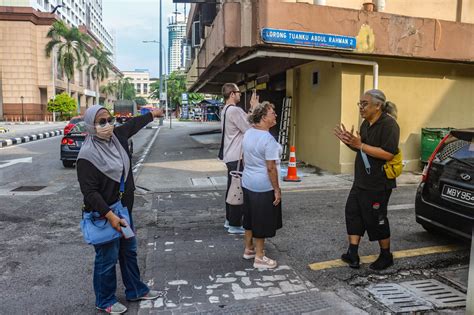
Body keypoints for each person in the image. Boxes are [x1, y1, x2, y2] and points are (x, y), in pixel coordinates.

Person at [77, 105, 164, 314]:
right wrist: (110, 216)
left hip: (123, 209)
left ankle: (135, 289)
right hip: (104, 214)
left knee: (129, 252)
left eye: (109, 119)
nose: (107, 125)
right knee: (107, 259)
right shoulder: (86, 156)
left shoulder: (117, 137)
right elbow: (90, 193)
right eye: (101, 122)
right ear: (91, 125)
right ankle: (104, 299)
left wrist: (152, 114)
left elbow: (134, 123)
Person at [334, 89, 400, 270]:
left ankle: (386, 255)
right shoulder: (366, 124)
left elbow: (388, 153)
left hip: (378, 183)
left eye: (364, 104)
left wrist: (360, 144)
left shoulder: (389, 125)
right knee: (353, 213)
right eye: (360, 104)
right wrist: (351, 142)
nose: (361, 108)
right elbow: (363, 150)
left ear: (378, 106)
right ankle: (352, 253)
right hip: (361, 181)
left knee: (376, 219)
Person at [242, 101, 283, 269]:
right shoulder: (268, 139)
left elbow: (244, 158)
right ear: (264, 117)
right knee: (261, 220)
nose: (275, 115)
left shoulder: (248, 133)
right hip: (262, 185)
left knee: (250, 217)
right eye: (273, 113)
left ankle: (249, 249)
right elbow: (270, 167)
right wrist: (277, 189)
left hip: (248, 180)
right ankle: (259, 257)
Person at [220, 83, 258, 234]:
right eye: (238, 92)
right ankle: (235, 224)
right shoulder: (235, 110)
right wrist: (254, 108)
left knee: (232, 187)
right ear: (232, 94)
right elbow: (250, 127)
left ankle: (230, 219)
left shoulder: (226, 110)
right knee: (237, 189)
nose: (240, 94)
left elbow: (244, 122)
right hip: (237, 155)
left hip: (230, 155)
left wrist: (250, 109)